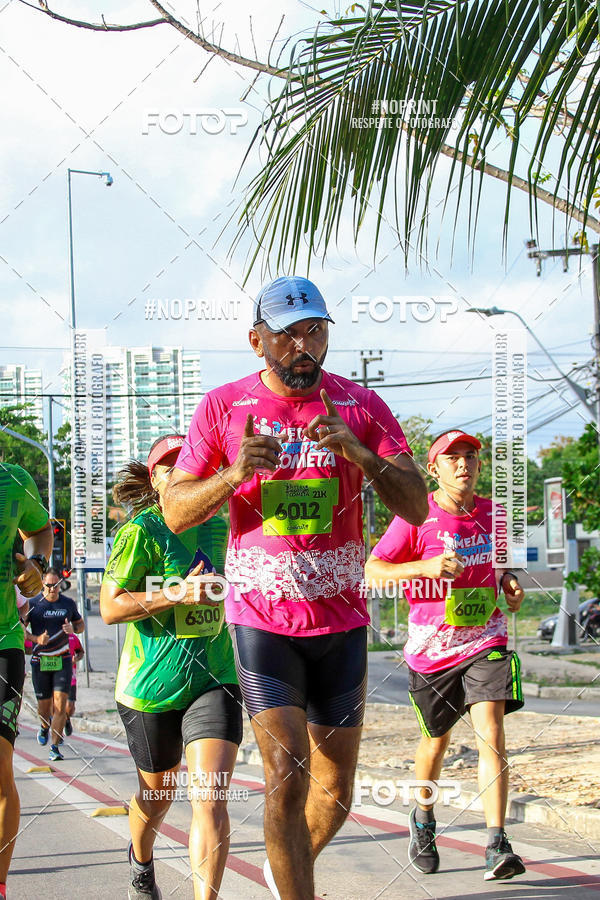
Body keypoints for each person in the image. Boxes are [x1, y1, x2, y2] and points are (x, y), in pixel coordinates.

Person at [163, 276, 428, 900]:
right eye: (287, 336)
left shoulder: (360, 405)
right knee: (286, 770)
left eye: (315, 332)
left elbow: (417, 505)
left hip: (342, 620)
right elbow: (175, 510)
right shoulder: (223, 406)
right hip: (262, 619)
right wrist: (233, 474)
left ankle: (286, 868)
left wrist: (361, 455)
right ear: (257, 341)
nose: (303, 347)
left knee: (335, 792)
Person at [365, 429, 526, 882]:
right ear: (433, 469)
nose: (463, 464)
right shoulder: (415, 517)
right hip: (432, 651)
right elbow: (373, 570)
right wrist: (425, 566)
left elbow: (504, 567)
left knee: (491, 733)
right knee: (435, 743)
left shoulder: (495, 515)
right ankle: (423, 819)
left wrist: (510, 583)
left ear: (479, 465)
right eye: (452, 457)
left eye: (470, 456)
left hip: (486, 639)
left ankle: (496, 843)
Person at [100, 434, 242, 900]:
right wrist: (177, 592)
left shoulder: (222, 525)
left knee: (210, 797)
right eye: (169, 466)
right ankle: (141, 862)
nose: (182, 471)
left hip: (214, 677)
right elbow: (111, 607)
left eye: (190, 463)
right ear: (154, 480)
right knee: (157, 796)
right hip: (150, 688)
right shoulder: (141, 531)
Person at [0, 462, 52, 899]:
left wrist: (35, 562)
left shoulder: (14, 479)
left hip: (3, 640)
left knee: (0, 770)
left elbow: (40, 531)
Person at [26, 568, 84, 761]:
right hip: (40, 661)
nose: (52, 589)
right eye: (49, 585)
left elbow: (81, 625)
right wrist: (36, 639)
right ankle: (44, 726)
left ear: (61, 584)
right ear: (42, 584)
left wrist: (73, 628)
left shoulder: (68, 603)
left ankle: (55, 746)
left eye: (56, 585)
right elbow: (20, 629)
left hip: (62, 660)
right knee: (44, 708)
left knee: (60, 706)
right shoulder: (33, 604)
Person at [64, 631, 84, 735]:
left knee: (70, 707)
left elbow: (80, 652)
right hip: (54, 675)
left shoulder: (72, 637)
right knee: (57, 705)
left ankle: (66, 719)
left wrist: (76, 658)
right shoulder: (51, 636)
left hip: (70, 677)